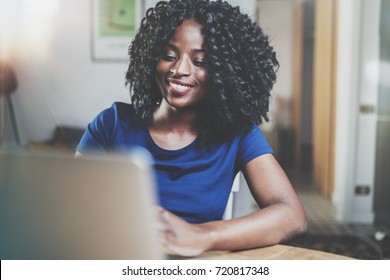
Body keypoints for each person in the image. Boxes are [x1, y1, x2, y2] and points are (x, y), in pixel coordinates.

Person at [76, 0, 307, 257]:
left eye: (200, 61)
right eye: (169, 55)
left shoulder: (238, 133)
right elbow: (64, 201)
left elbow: (291, 215)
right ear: (152, 57)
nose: (179, 70)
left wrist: (202, 235)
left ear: (225, 72)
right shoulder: (111, 124)